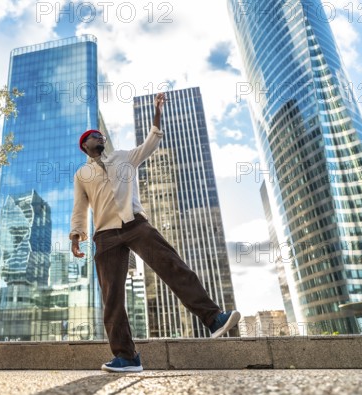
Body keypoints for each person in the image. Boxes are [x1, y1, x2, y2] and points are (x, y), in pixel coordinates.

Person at [70, 92, 240, 373]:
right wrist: (76, 236)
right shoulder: (82, 175)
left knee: (172, 265)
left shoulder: (124, 157)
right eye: (93, 136)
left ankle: (214, 319)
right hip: (105, 236)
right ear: (85, 145)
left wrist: (157, 112)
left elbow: (151, 143)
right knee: (111, 296)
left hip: (136, 225)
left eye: (101, 135)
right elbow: (79, 208)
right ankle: (126, 357)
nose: (99, 137)